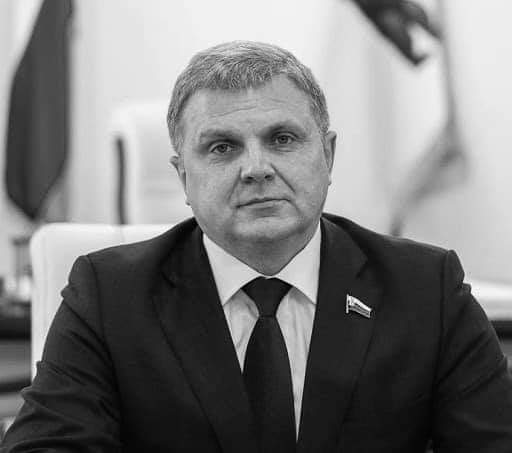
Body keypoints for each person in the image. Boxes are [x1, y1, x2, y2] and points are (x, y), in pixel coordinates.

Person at [2, 41, 512, 453]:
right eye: (222, 147)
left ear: (328, 155)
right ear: (183, 176)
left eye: (283, 139)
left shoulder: (426, 288)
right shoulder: (110, 295)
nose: (256, 168)